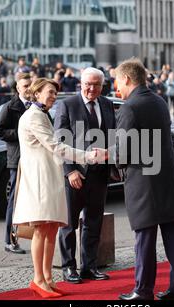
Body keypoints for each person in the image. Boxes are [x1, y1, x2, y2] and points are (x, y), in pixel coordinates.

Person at [13, 78, 108, 298]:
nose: (54, 96)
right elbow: (55, 146)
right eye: (50, 92)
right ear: (36, 93)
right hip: (40, 180)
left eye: (56, 93)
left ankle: (47, 278)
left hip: (49, 178)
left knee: (51, 229)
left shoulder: (41, 114)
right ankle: (38, 279)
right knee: (41, 230)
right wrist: (86, 156)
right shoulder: (33, 116)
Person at [114, 59, 174, 301]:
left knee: (144, 239)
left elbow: (123, 150)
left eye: (117, 81)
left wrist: (115, 165)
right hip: (168, 178)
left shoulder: (129, 107)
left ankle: (142, 290)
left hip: (144, 184)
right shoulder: (159, 101)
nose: (117, 87)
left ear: (127, 79)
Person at [54, 68, 116, 284]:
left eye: (96, 85)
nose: (91, 89)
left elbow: (113, 137)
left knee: (93, 222)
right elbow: (59, 141)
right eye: (88, 84)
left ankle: (89, 266)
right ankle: (68, 267)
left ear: (102, 85)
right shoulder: (67, 105)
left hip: (99, 175)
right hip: (76, 175)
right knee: (69, 224)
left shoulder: (107, 104)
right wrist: (70, 170)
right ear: (80, 83)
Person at [0, 73, 32, 254]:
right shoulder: (10, 107)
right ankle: (9, 240)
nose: (29, 88)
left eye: (30, 85)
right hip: (17, 160)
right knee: (14, 201)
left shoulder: (36, 106)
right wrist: (21, 134)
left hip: (34, 159)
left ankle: (31, 237)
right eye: (25, 86)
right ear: (18, 88)